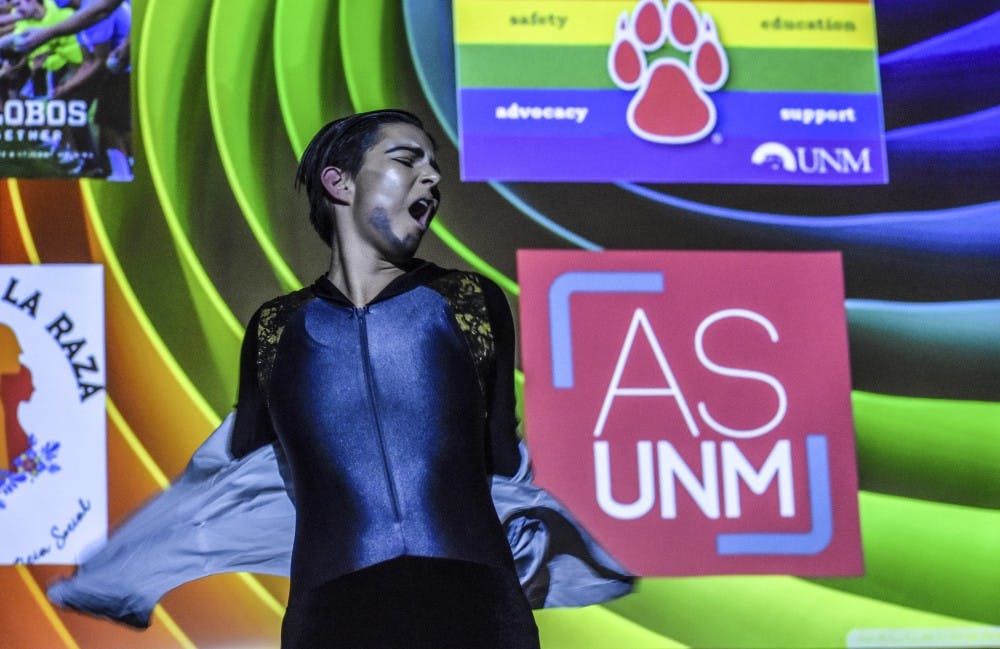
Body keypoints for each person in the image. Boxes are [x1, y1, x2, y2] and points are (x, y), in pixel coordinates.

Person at [47, 110, 633, 648]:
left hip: (477, 610)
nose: (432, 178)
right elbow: (242, 473)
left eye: (434, 165)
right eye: (407, 160)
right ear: (340, 183)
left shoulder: (470, 300)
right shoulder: (277, 328)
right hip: (334, 617)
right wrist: (136, 559)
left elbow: (500, 459)